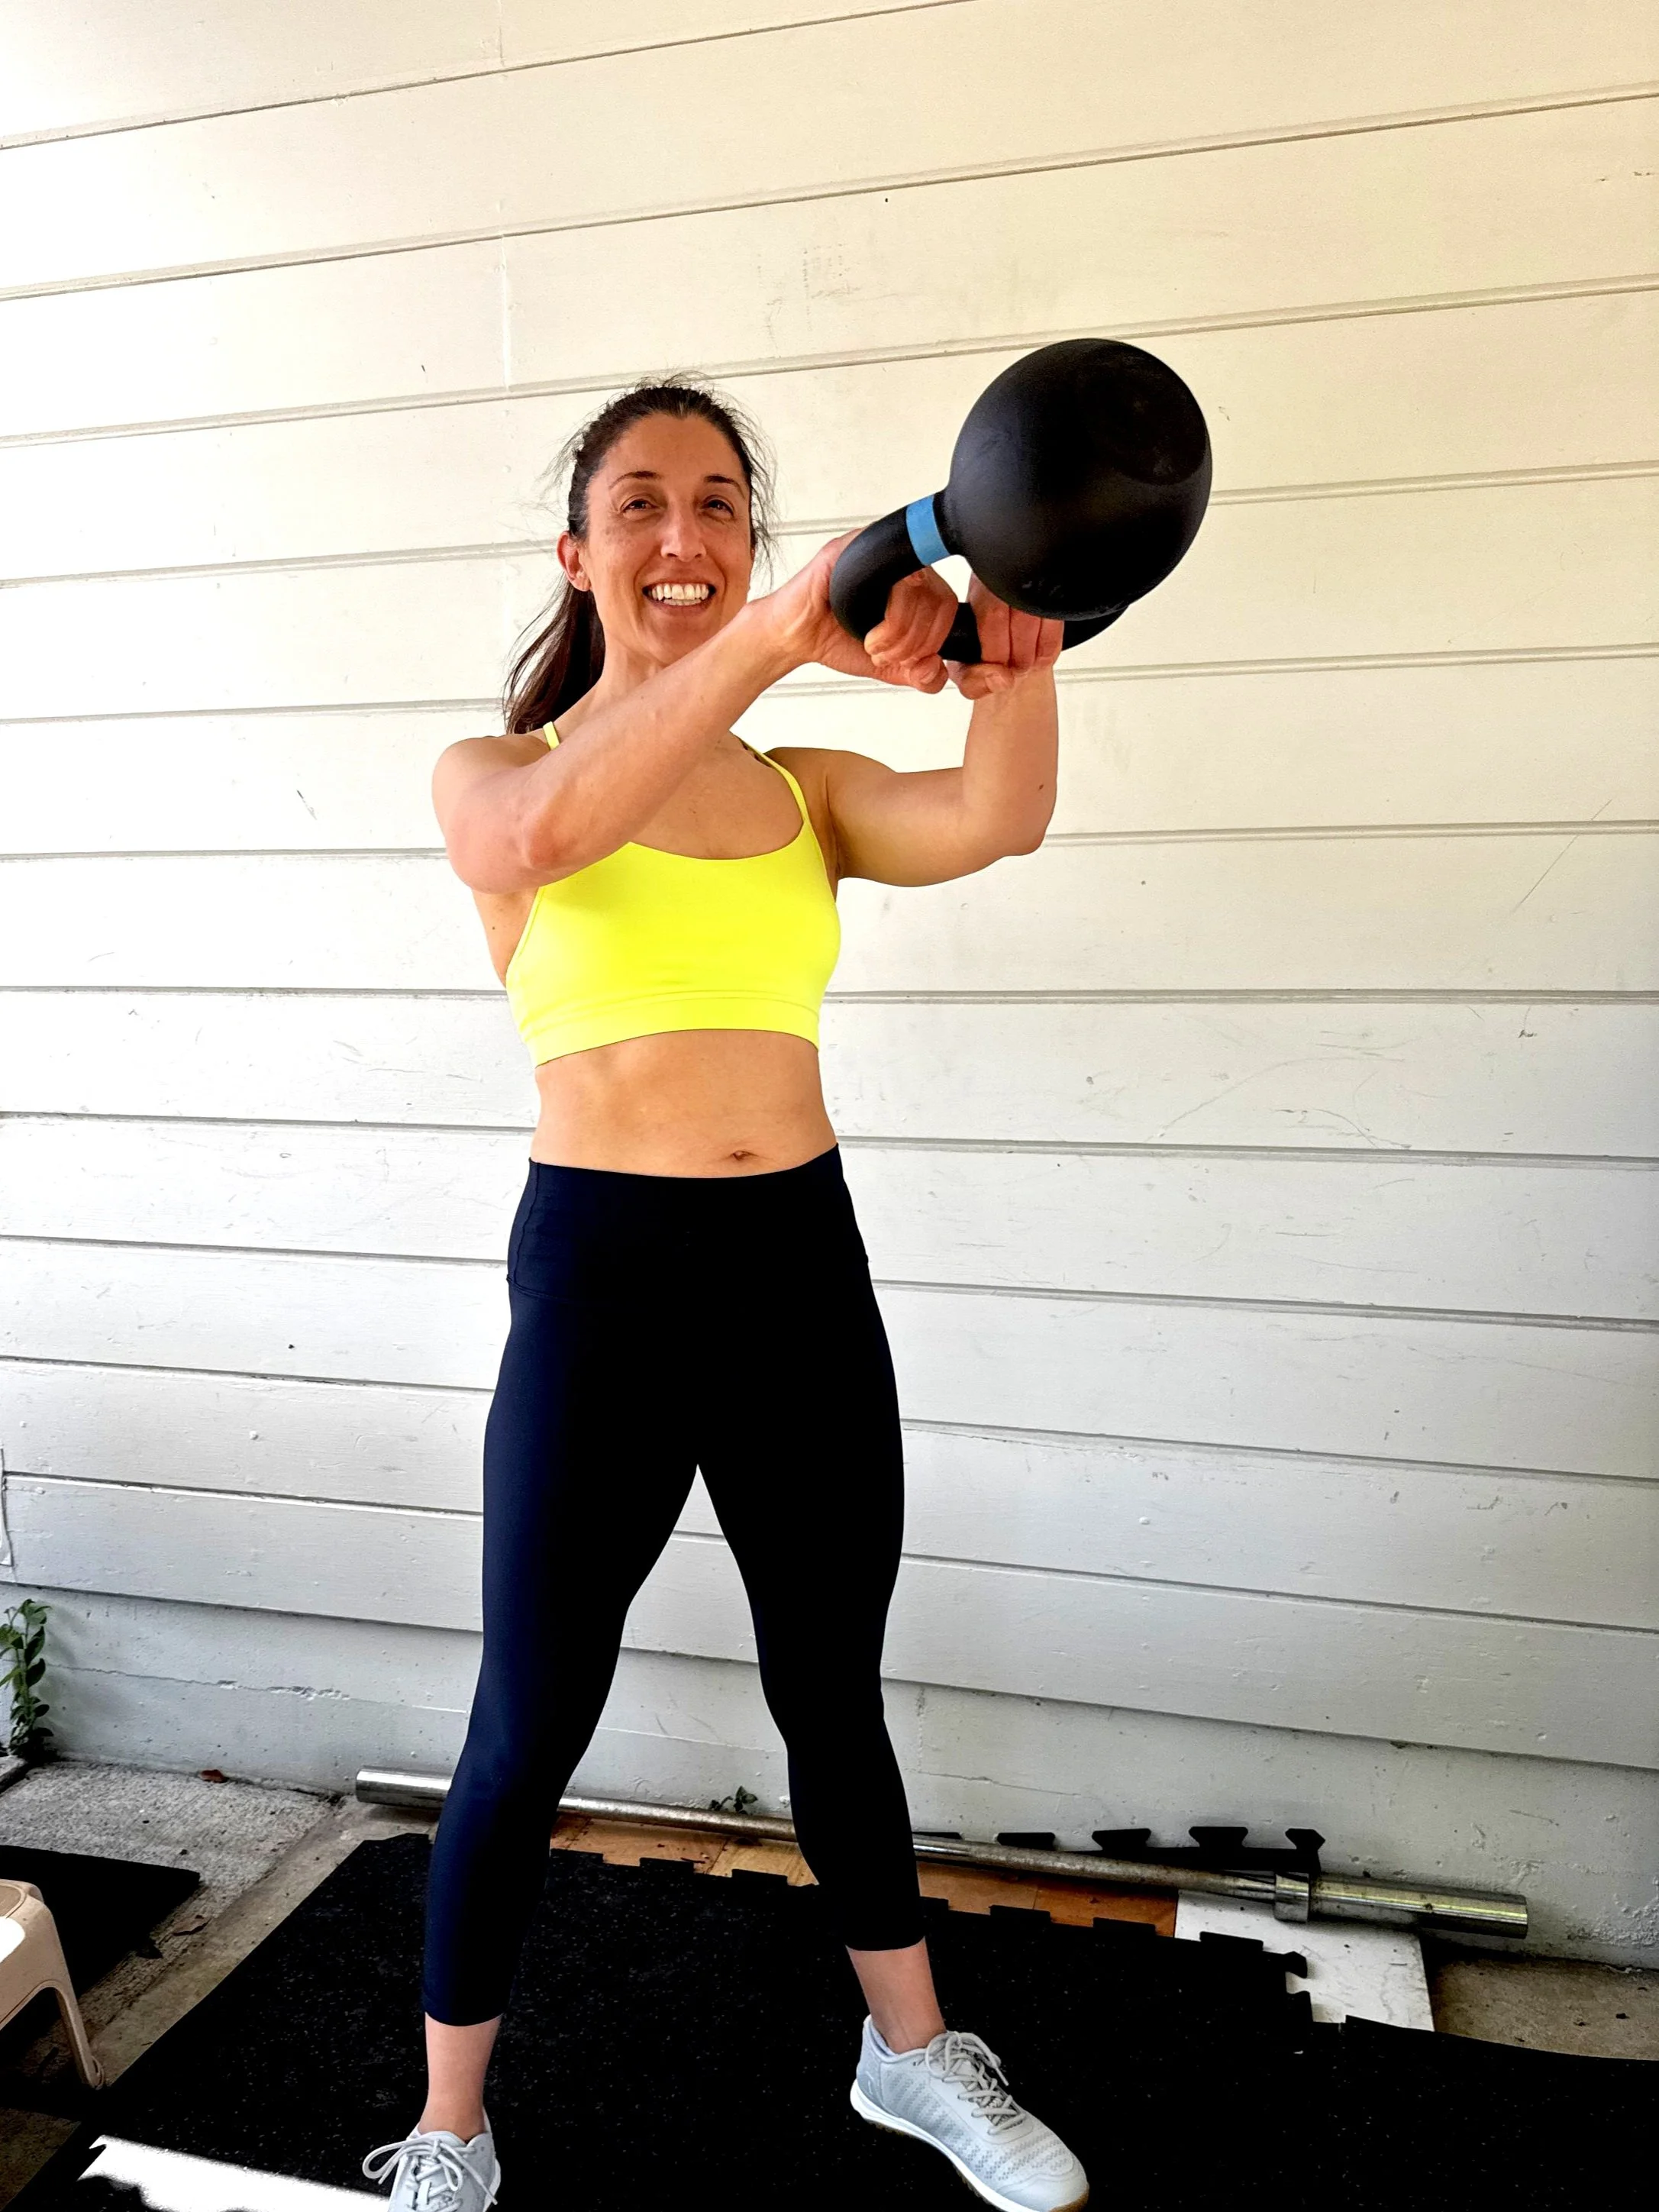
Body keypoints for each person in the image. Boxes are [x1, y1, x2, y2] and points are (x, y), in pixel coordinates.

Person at [360, 379, 1088, 2212]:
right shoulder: (497, 776)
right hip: (603, 1275)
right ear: (580, 547)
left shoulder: (802, 790)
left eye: (720, 507)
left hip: (795, 1272)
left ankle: (910, 2058)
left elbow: (999, 820)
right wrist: (787, 631)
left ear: (750, 538)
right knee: (530, 1715)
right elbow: (529, 850)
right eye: (641, 503)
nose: (683, 537)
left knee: (830, 1689)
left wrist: (1021, 648)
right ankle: (449, 2125)